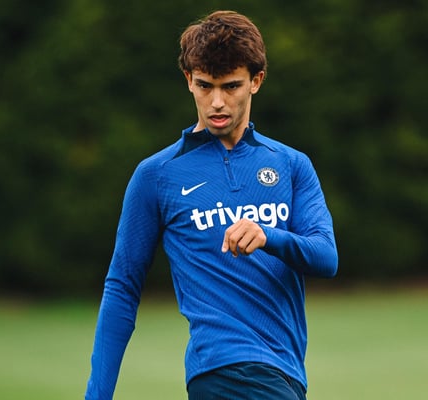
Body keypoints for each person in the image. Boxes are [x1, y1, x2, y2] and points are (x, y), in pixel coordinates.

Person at [85, 10, 338, 400]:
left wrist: (268, 236)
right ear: (189, 80)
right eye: (205, 86)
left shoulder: (291, 165)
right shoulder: (157, 175)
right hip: (220, 370)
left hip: (285, 373)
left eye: (231, 86)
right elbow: (122, 287)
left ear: (256, 81)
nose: (217, 102)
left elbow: (326, 257)